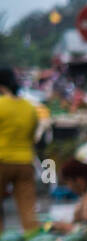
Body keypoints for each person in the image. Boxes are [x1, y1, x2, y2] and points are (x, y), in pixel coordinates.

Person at [0, 66, 39, 232]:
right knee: (28, 210)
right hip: (25, 162)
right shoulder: (30, 107)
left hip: (2, 161)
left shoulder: (1, 105)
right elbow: (32, 137)